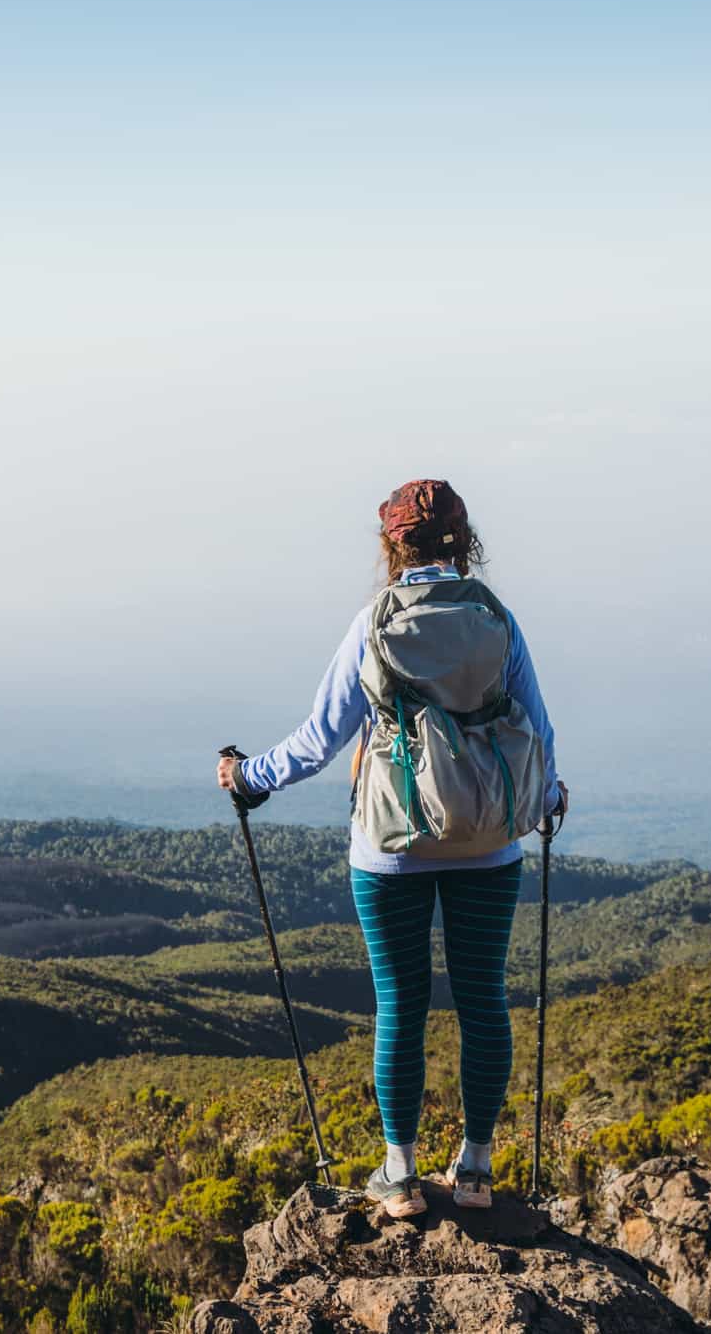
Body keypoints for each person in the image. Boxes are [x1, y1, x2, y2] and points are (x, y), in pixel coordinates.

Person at [217, 478, 565, 1218]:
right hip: (489, 841)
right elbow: (537, 728)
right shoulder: (496, 620)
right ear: (464, 541)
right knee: (483, 1002)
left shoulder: (374, 621)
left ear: (393, 544)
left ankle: (399, 1174)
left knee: (399, 1004)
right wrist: (547, 797)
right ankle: (475, 1169)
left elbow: (320, 739)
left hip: (391, 844)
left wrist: (250, 777)